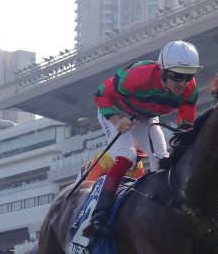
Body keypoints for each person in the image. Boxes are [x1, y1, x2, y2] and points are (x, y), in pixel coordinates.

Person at [85, 40, 202, 236]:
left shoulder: (190, 90)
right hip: (116, 111)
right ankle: (99, 214)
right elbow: (101, 93)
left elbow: (185, 128)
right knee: (127, 156)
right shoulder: (139, 75)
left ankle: (163, 210)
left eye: (188, 77)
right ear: (163, 71)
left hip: (144, 116)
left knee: (161, 158)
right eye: (176, 76)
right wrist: (116, 120)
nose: (182, 83)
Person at [75, 147, 146, 185]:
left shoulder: (139, 165)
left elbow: (140, 185)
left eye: (139, 158)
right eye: (136, 157)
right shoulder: (105, 159)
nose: (136, 160)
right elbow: (91, 182)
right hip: (85, 177)